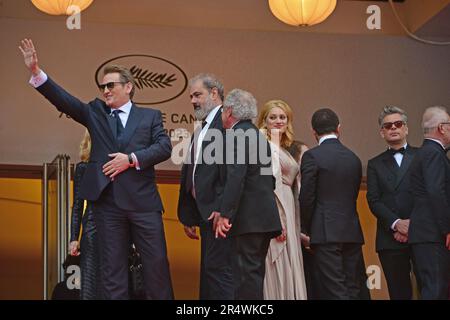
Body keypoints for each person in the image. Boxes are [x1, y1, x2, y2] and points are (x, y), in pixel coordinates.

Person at [19, 39, 173, 300]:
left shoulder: (150, 116)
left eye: (111, 85)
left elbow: (164, 147)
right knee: (112, 274)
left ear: (129, 87)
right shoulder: (96, 112)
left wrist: (131, 158)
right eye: (103, 86)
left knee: (156, 268)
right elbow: (65, 101)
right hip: (107, 205)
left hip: (143, 204)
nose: (106, 90)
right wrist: (36, 72)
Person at [213, 89, 282, 300]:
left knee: (245, 278)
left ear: (230, 111)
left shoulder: (237, 136)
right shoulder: (257, 135)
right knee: (253, 274)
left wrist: (225, 213)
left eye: (223, 110)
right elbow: (269, 179)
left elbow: (236, 177)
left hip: (248, 220)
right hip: (264, 218)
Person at [177, 74, 234, 299]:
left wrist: (224, 210)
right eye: (191, 96)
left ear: (214, 93)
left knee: (220, 273)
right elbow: (196, 172)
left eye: (197, 95)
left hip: (219, 214)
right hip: (204, 213)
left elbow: (232, 173)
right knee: (210, 273)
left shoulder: (227, 123)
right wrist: (190, 214)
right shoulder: (203, 125)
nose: (192, 100)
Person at [299, 108, 365, 299]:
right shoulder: (354, 158)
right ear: (338, 128)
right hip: (351, 231)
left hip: (325, 233)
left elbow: (307, 197)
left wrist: (307, 229)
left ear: (314, 132)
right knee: (352, 286)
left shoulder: (312, 156)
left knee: (334, 288)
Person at [257, 100, 307, 300]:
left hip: (290, 206)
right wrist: (277, 221)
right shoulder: (264, 146)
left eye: (282, 117)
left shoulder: (285, 148)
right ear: (264, 121)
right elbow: (269, 186)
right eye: (273, 117)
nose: (278, 121)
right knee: (275, 261)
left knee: (291, 258)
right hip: (275, 209)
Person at [366, 106, 418, 300]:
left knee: (430, 288)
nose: (393, 128)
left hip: (422, 234)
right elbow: (373, 199)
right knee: (399, 293)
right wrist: (397, 224)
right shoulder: (374, 163)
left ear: (406, 128)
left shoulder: (423, 156)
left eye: (398, 124)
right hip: (390, 238)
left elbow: (431, 195)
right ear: (382, 132)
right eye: (388, 126)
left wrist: (413, 225)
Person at [408, 106, 450, 300]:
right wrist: (447, 229)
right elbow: (436, 192)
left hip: (424, 233)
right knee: (436, 289)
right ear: (442, 128)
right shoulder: (434, 153)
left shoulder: (425, 152)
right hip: (432, 234)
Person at [69, 131, 102, 299]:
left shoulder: (120, 163)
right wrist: (74, 237)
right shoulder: (83, 168)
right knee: (89, 285)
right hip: (91, 231)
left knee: (114, 286)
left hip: (117, 231)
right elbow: (78, 205)